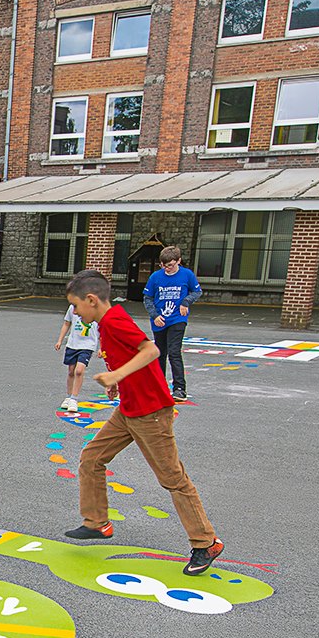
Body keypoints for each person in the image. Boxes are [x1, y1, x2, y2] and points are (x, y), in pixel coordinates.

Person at [63, 269, 224, 576]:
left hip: (151, 413)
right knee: (92, 458)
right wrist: (119, 382)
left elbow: (150, 350)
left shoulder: (115, 320)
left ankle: (206, 542)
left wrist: (116, 375)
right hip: (129, 409)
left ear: (92, 300)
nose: (76, 312)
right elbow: (127, 359)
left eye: (76, 306)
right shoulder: (104, 323)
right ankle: (97, 523)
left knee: (173, 479)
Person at [142, 245, 202, 402]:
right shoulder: (155, 277)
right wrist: (154, 315)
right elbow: (147, 298)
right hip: (160, 320)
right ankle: (159, 386)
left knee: (174, 352)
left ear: (178, 261)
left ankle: (179, 388)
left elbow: (197, 291)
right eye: (163, 265)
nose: (166, 268)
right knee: (160, 353)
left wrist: (186, 302)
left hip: (177, 319)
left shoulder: (186, 275)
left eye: (170, 265)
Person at [53, 301, 100, 412]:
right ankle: (69, 396)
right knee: (71, 371)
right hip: (73, 344)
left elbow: (101, 328)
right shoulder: (73, 307)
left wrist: (101, 347)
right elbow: (66, 323)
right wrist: (60, 340)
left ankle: (74, 398)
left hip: (88, 345)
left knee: (79, 371)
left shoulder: (96, 308)